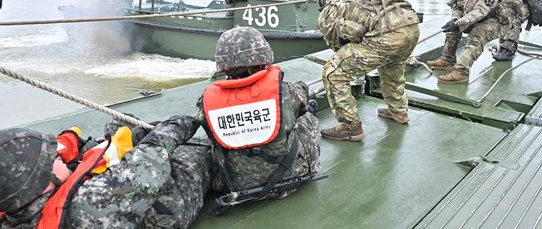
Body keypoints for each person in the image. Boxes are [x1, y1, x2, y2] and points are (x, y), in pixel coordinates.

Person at [0, 116, 213, 228]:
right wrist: (183, 121)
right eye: (51, 159)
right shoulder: (90, 201)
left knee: (118, 124)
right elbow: (152, 158)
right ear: (40, 184)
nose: (57, 156)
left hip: (121, 196)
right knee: (198, 155)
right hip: (161, 209)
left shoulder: (15, 210)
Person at [195, 26, 321, 197]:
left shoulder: (204, 103)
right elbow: (301, 99)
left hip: (235, 184)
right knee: (307, 120)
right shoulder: (285, 92)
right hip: (291, 175)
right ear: (263, 57)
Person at [314, 0, 420, 142]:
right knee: (392, 66)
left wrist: (351, 59)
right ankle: (398, 111)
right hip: (411, 28)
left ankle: (350, 127)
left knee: (333, 72)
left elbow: (337, 46)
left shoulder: (331, 8)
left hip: (386, 36)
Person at [426, 0, 508, 84]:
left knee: (477, 34)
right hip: (476, 18)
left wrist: (458, 22)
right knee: (453, 30)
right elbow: (457, 6)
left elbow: (481, 11)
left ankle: (462, 72)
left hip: (497, 21)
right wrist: (455, 19)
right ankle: (447, 60)